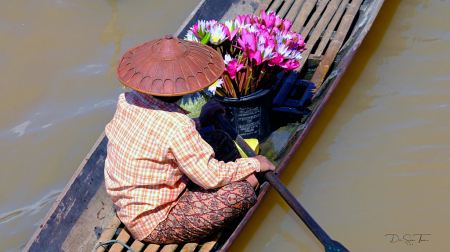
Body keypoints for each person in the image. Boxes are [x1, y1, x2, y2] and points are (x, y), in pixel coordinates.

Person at [104, 91, 276, 244]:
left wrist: (200, 122)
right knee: (242, 193)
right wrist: (253, 164)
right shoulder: (177, 125)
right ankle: (245, 188)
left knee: (219, 138)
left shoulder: (128, 98)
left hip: (151, 194)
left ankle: (237, 185)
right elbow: (210, 177)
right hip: (155, 220)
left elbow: (161, 134)